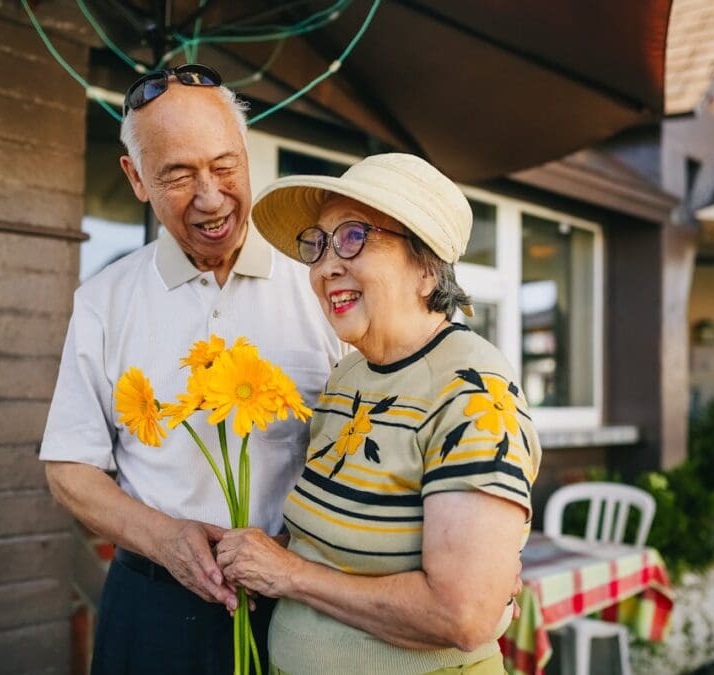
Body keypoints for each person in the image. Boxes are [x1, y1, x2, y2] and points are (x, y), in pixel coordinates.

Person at [39, 64, 342, 673]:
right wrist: (163, 537)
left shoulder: (324, 283)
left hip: (301, 605)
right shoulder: (104, 300)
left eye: (225, 165)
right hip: (152, 607)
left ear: (248, 152)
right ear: (136, 178)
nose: (210, 197)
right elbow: (70, 467)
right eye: (177, 175)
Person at [216, 153, 542, 674]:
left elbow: (463, 615)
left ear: (425, 265)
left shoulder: (473, 393)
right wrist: (256, 552)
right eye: (318, 245)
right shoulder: (350, 377)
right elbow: (337, 541)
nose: (325, 266)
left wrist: (289, 574)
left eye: (352, 237)